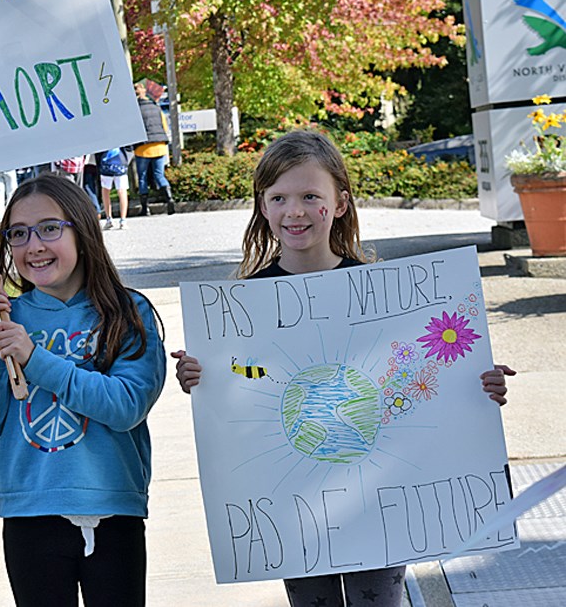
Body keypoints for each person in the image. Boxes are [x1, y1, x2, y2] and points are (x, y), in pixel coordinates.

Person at [170, 128, 514, 607]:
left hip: (378, 500)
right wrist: (202, 378)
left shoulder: (384, 292)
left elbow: (419, 369)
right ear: (262, 206)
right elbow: (248, 379)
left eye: (311, 196)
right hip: (293, 502)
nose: (295, 211)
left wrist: (475, 378)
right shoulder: (240, 310)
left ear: (341, 203)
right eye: (280, 198)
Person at [0, 174, 167, 607]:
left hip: (113, 508)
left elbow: (127, 405)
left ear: (84, 228)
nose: (33, 245)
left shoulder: (129, 313)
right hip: (30, 512)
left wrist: (36, 361)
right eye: (18, 234)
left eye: (50, 228)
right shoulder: (7, 318)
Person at [134, 81, 175, 216]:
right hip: (159, 146)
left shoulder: (135, 109)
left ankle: (145, 208)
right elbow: (165, 126)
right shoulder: (156, 107)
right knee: (159, 175)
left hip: (143, 148)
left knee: (142, 178)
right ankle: (169, 198)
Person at [98, 147, 130, 230]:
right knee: (122, 191)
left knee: (105, 191)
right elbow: (129, 147)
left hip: (105, 161)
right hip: (120, 161)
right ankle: (123, 220)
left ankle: (109, 219)